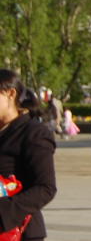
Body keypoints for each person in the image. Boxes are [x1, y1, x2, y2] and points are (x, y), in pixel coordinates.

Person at [0, 70, 57, 240]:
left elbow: (46, 188)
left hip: (20, 232)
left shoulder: (34, 134)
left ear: (10, 93)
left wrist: (2, 213)